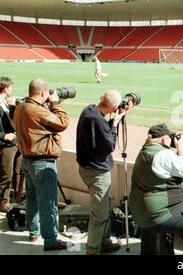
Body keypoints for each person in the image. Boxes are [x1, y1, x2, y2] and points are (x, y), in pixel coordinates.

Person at [129, 124, 183, 255]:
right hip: (158, 215)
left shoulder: (148, 149)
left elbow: (166, 167)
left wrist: (180, 153)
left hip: (142, 212)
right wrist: (182, 150)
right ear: (165, 139)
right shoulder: (162, 153)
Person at [13, 78, 70, 251]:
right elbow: (62, 123)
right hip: (42, 162)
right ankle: (50, 239)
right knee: (48, 202)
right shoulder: (36, 110)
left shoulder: (21, 106)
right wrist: (56, 104)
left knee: (31, 199)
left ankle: (33, 232)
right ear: (44, 93)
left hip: (27, 159)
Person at [76, 90, 132, 255]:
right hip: (97, 172)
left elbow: (98, 134)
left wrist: (112, 120)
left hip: (87, 168)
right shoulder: (99, 121)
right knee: (99, 214)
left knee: (106, 207)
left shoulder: (88, 110)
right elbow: (109, 146)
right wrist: (114, 124)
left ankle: (104, 241)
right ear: (114, 107)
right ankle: (92, 250)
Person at [0, 77, 17, 212]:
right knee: (7, 174)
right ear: (5, 88)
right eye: (11, 87)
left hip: (14, 143)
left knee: (16, 172)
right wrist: (3, 136)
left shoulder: (7, 102)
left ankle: (15, 197)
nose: (12, 89)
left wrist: (13, 107)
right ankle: (3, 203)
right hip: (5, 145)